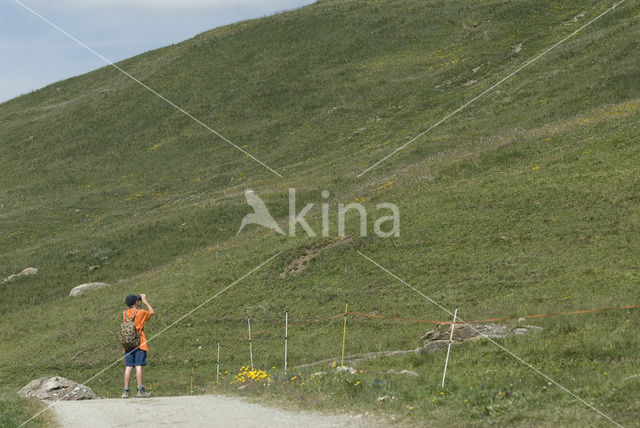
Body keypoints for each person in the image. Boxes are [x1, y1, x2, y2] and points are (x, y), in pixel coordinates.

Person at [122, 293, 154, 398]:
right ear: (136, 302)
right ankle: (140, 390)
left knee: (129, 366)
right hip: (140, 343)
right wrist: (145, 301)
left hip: (128, 343)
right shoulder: (141, 312)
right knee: (138, 365)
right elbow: (152, 312)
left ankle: (125, 391)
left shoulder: (125, 313)